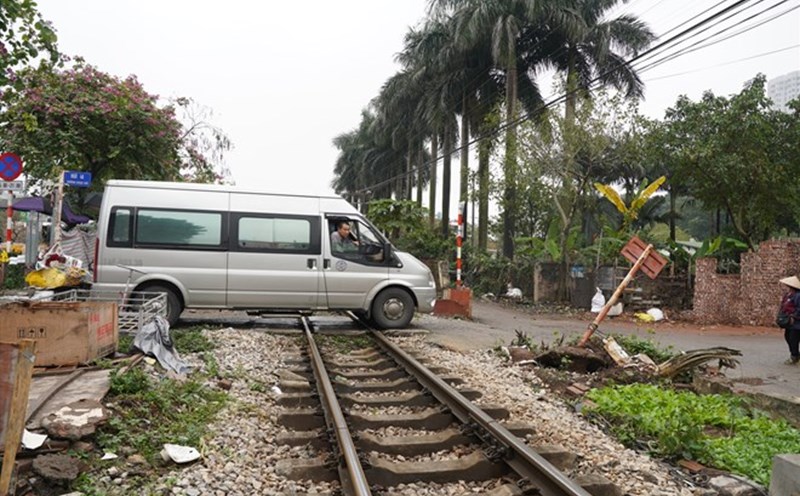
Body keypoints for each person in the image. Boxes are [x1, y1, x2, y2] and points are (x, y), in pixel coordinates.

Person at [778, 275, 800, 365]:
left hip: (797, 323)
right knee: (788, 337)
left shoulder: (798, 296)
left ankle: (795, 356)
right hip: (789, 322)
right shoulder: (788, 295)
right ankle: (795, 355)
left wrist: (793, 316)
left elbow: (799, 308)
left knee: (793, 339)